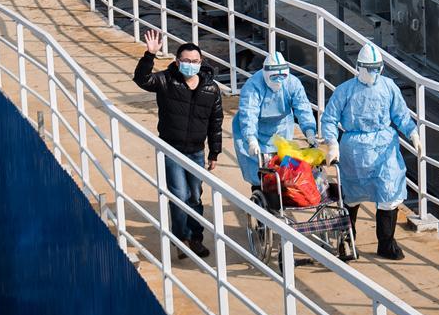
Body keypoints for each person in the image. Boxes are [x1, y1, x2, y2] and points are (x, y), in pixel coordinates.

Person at [321, 43, 421, 260]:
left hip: (384, 148)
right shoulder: (345, 91)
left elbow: (400, 114)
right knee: (351, 196)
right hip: (354, 150)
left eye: (377, 68)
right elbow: (329, 118)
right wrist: (332, 143)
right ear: (359, 67)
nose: (373, 73)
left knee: (389, 192)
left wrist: (413, 133)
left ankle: (386, 243)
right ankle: (348, 241)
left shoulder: (389, 87)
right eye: (369, 68)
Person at [133, 30, 223, 259]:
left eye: (194, 62)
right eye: (185, 61)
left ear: (201, 63)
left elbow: (216, 122)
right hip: (171, 148)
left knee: (195, 196)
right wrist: (149, 55)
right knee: (180, 195)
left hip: (196, 151)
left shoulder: (211, 89)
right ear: (177, 61)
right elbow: (142, 79)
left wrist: (215, 152)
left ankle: (196, 238)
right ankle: (181, 238)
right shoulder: (165, 80)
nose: (190, 65)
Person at [233, 51, 317, 189]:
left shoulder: (293, 83)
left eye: (282, 76)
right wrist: (251, 139)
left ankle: (278, 196)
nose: (278, 80)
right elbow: (249, 113)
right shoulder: (253, 86)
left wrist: (309, 132)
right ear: (266, 73)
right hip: (256, 129)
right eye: (274, 76)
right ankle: (258, 195)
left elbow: (303, 107)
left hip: (281, 128)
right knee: (259, 170)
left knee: (281, 165)